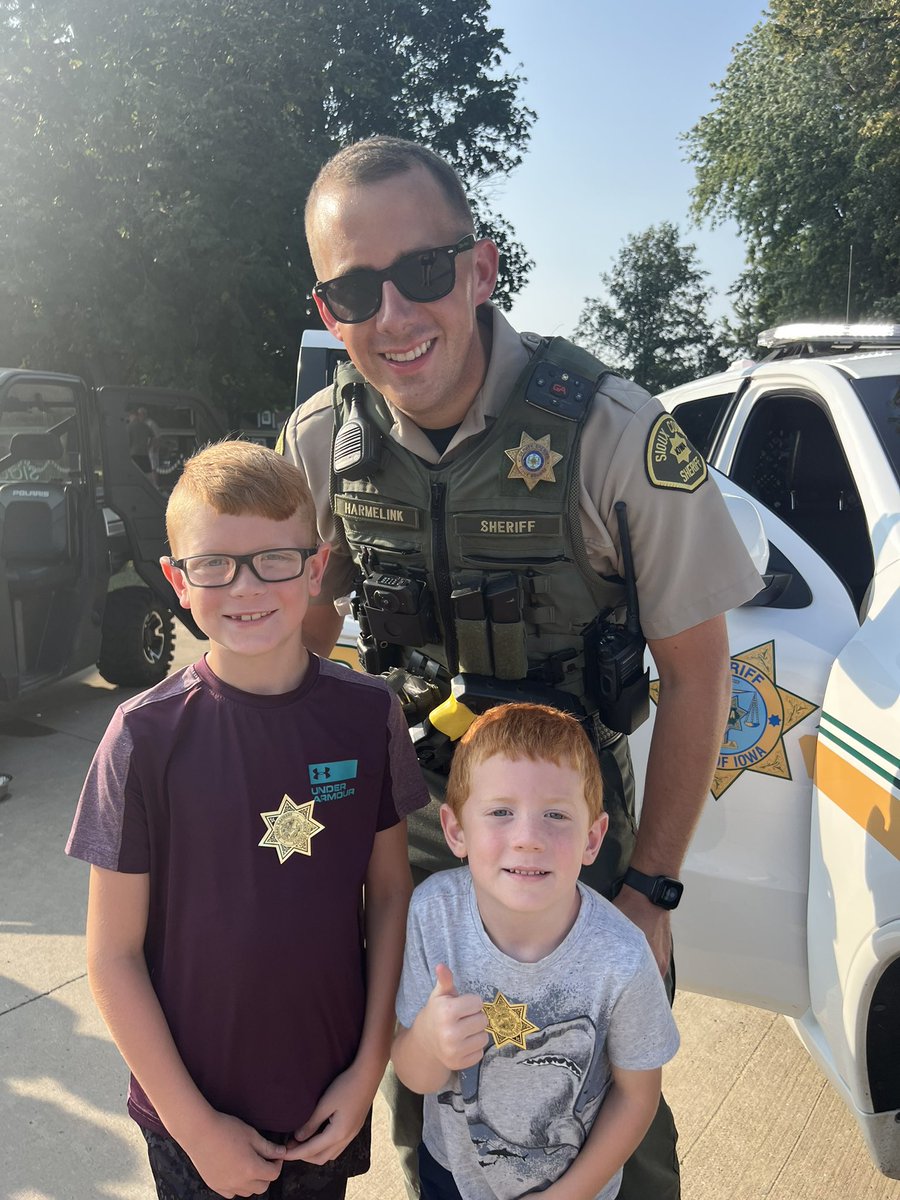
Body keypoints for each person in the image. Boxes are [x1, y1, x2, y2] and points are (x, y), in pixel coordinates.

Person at [279, 135, 763, 1198]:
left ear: (481, 268)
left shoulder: (607, 431)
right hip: (418, 815)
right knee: (436, 1083)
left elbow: (699, 674)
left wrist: (649, 894)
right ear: (328, 313)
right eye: (356, 290)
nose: (395, 316)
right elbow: (296, 653)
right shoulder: (323, 444)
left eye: (421, 272)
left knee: (602, 1090)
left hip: (572, 822)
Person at [66, 440, 429, 1200]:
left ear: (317, 565)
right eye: (214, 564)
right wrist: (196, 1127)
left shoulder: (369, 716)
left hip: (328, 1097)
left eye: (274, 558)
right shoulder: (143, 737)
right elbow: (112, 957)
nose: (245, 585)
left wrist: (369, 1070)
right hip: (191, 1119)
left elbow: (391, 896)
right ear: (176, 578)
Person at [393, 703, 680, 1200]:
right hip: (454, 1179)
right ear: (456, 830)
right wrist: (427, 1041)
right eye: (501, 812)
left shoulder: (622, 958)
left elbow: (637, 1098)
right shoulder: (432, 913)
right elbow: (416, 1077)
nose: (528, 839)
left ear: (593, 838)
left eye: (556, 815)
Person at [128, 405, 161, 484]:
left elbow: (128, 441)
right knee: (148, 474)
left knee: (135, 473)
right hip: (144, 454)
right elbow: (154, 437)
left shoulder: (129, 427)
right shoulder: (145, 426)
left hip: (134, 454)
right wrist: (148, 447)